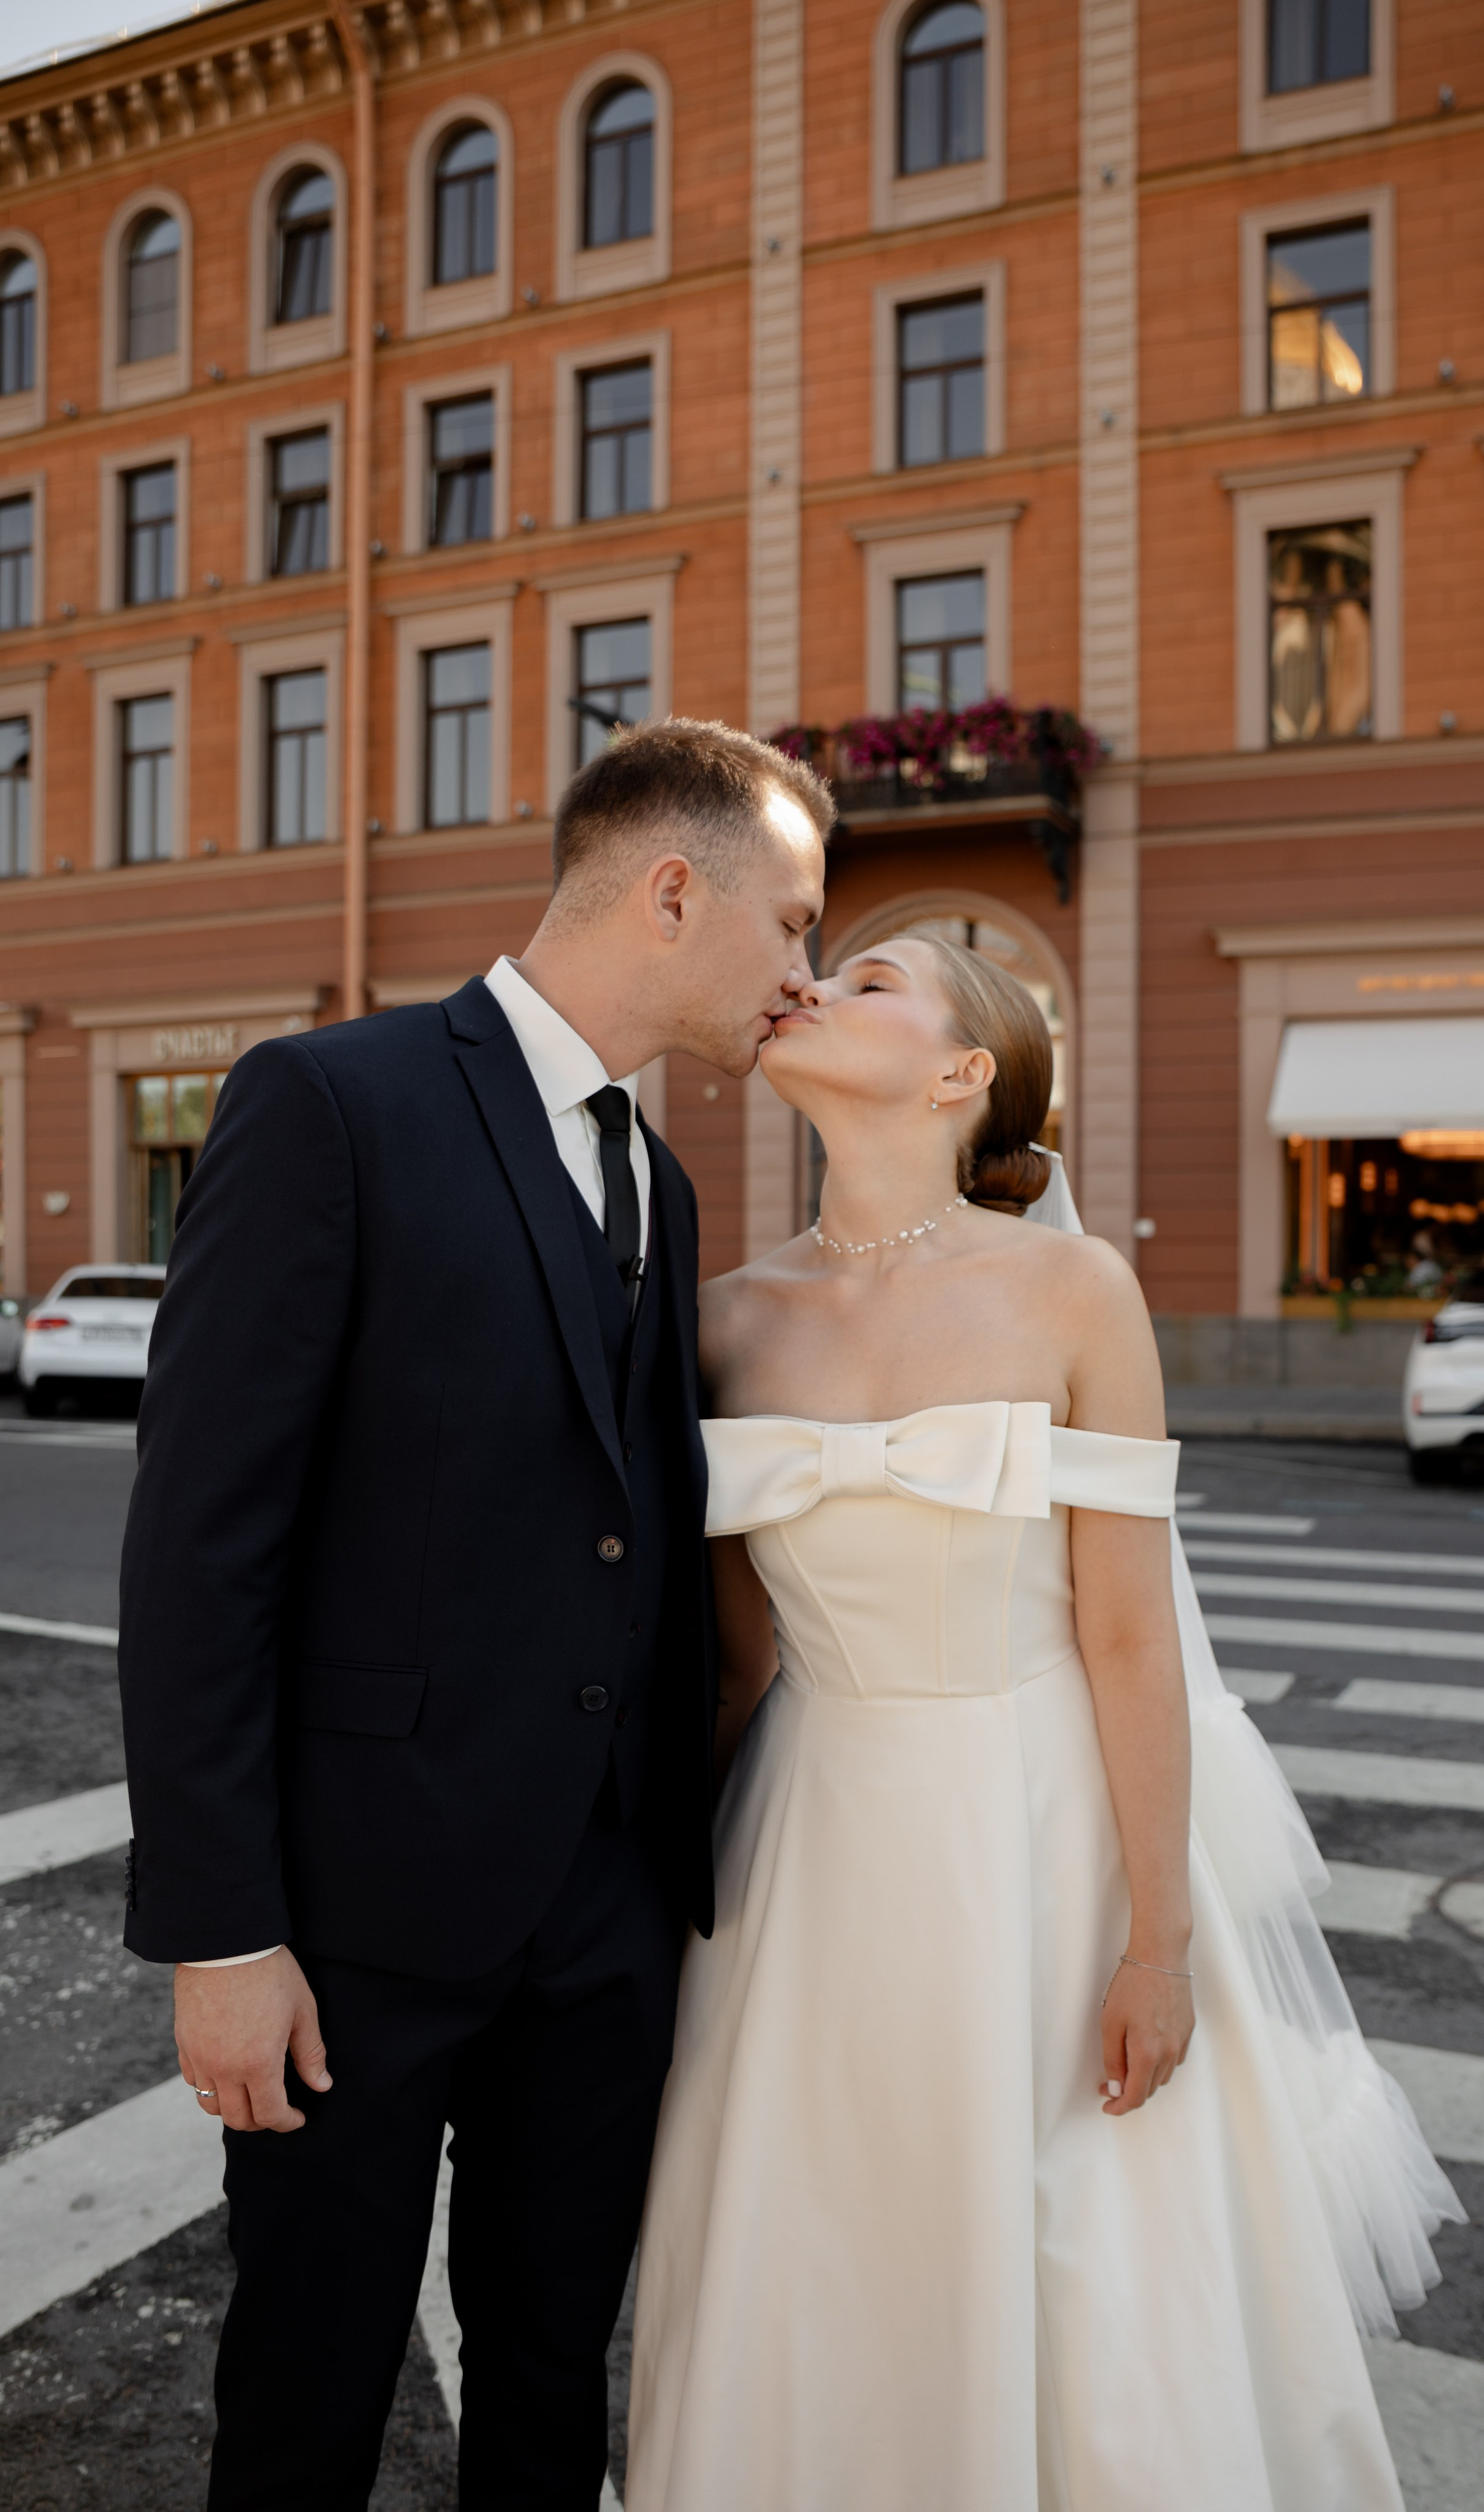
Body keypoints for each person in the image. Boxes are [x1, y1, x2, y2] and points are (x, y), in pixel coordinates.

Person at [627, 933, 1462, 2511]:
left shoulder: (1076, 1290)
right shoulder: (719, 1318)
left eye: (869, 981)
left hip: (1041, 1835)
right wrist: (656, 1890)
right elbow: (735, 1662)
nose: (812, 986)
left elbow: (1128, 1636)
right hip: (810, 1841)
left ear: (964, 1073)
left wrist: (1158, 1945)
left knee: (1081, 2256)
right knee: (817, 2236)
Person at [116, 720, 830, 2510]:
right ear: (672, 891)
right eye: (793, 922)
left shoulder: (661, 1183)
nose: (803, 973)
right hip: (351, 1925)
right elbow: (200, 1549)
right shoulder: (330, 1103)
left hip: (604, 1927)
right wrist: (221, 1934)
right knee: (307, 2396)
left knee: (550, 2382)